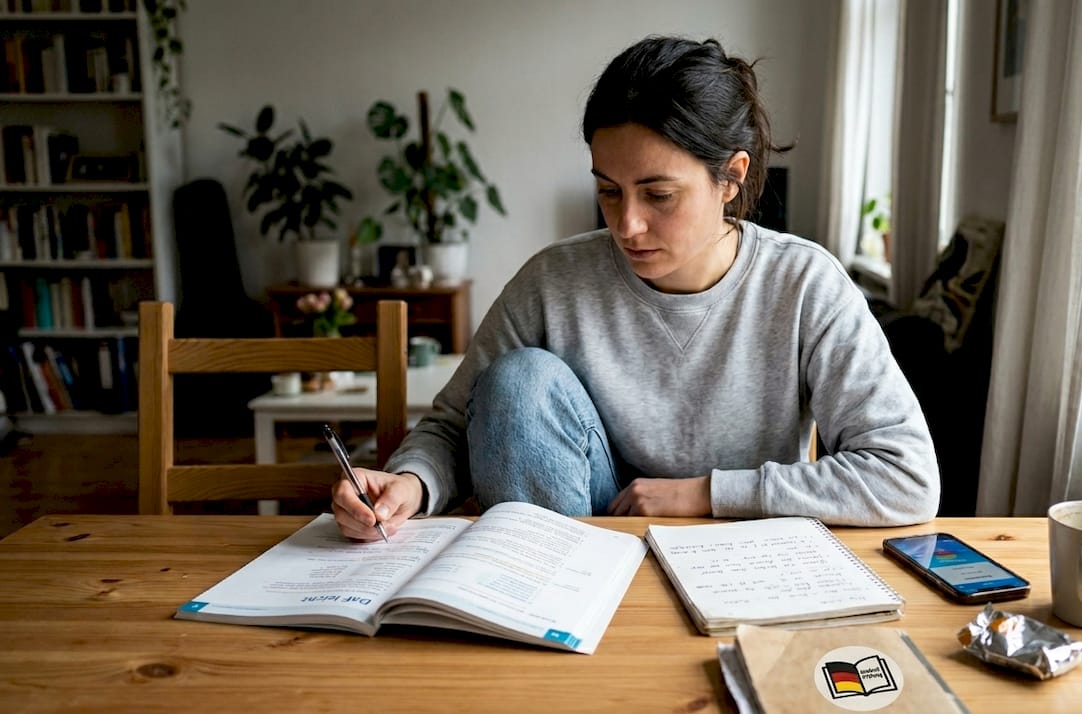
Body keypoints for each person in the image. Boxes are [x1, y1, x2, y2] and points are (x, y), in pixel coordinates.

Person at [332, 36, 939, 541]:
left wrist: (706, 494)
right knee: (519, 381)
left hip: (740, 547)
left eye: (659, 195)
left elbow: (906, 476)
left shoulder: (805, 284)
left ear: (731, 177)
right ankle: (537, 601)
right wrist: (410, 482)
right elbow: (450, 426)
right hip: (580, 541)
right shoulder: (553, 280)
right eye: (608, 190)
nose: (626, 225)